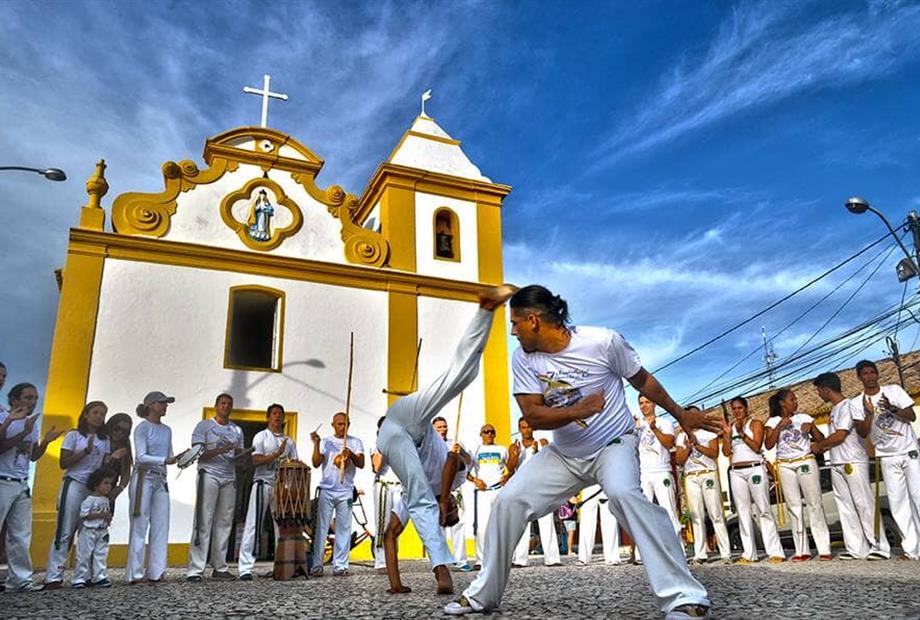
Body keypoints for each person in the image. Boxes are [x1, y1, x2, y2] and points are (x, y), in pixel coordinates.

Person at [446, 285, 716, 618]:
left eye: (515, 323)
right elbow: (532, 416)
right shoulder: (524, 358)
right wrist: (579, 410)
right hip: (565, 454)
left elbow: (642, 381)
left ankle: (686, 598)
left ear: (533, 320)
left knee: (623, 494)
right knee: (508, 501)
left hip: (613, 444)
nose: (513, 331)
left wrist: (679, 413)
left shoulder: (603, 341)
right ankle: (482, 595)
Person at [377, 284, 513, 595]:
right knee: (459, 377)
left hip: (390, 437)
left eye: (447, 513)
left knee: (419, 501)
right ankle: (486, 308)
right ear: (454, 503)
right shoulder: (455, 484)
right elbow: (453, 459)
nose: (449, 508)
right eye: (452, 510)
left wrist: (396, 585)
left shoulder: (411, 498)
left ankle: (441, 574)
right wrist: (443, 496)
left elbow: (389, 535)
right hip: (411, 419)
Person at [45, 400, 123, 589]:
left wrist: (112, 459)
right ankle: (54, 575)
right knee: (66, 529)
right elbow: (64, 463)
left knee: (88, 531)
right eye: (95, 412)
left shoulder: (104, 440)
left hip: (92, 488)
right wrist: (85, 451)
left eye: (102, 414)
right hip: (75, 483)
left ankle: (84, 575)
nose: (99, 417)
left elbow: (101, 467)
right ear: (86, 414)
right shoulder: (74, 435)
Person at [812, 372, 889, 560]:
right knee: (845, 505)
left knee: (864, 503)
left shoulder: (849, 405)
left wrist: (819, 446)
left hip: (853, 461)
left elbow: (840, 435)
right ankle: (857, 548)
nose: (818, 395)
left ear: (826, 389)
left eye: (819, 391)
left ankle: (879, 546)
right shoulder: (834, 410)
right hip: (837, 461)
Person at [852, 359, 920, 560]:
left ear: (877, 374)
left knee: (917, 497)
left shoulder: (894, 390)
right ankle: (911, 549)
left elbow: (912, 416)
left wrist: (892, 408)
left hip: (908, 451)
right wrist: (869, 414)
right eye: (865, 374)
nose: (870, 376)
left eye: (872, 372)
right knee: (898, 503)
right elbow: (863, 432)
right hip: (887, 456)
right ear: (859, 377)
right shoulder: (857, 402)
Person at [0, 383, 63, 591]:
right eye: (28, 398)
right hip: (3, 480)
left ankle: (20, 580)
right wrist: (20, 430)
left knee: (20, 534)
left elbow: (33, 455)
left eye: (35, 398)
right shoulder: (3, 419)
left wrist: (45, 442)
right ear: (15, 399)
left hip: (22, 483)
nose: (33, 402)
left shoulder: (32, 423)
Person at [764, 388, 831, 561]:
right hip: (785, 465)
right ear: (782, 403)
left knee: (814, 502)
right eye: (792, 399)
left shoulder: (804, 417)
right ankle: (802, 550)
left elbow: (821, 438)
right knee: (794, 506)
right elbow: (769, 444)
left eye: (795, 399)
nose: (796, 402)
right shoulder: (772, 421)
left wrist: (811, 430)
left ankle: (824, 548)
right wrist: (780, 425)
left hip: (805, 460)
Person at [187, 393, 245, 582]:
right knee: (203, 519)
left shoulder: (237, 430)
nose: (226, 406)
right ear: (216, 406)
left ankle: (220, 567)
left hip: (229, 474)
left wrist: (240, 453)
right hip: (209, 473)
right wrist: (220, 450)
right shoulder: (204, 426)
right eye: (223, 403)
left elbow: (239, 455)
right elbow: (197, 453)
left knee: (225, 521)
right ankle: (195, 569)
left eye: (229, 404)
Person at [720, 396, 784, 564]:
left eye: (739, 408)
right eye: (733, 409)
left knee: (763, 508)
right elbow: (726, 452)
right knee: (742, 512)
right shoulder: (730, 427)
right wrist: (727, 436)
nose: (736, 411)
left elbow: (756, 447)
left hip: (754, 467)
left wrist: (742, 434)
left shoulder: (755, 424)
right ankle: (749, 553)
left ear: (746, 409)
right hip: (736, 471)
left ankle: (775, 551)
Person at [238, 403, 298, 580]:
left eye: (280, 413)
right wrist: (276, 454)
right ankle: (245, 568)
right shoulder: (261, 436)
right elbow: (256, 460)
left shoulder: (289, 441)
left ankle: (280, 567)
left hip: (281, 488)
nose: (278, 416)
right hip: (262, 483)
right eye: (274, 413)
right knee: (253, 524)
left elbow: (294, 463)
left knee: (281, 527)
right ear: (268, 417)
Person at [126, 391, 179, 584]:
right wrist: (165, 459)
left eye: (166, 403)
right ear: (150, 405)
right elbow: (140, 457)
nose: (165, 406)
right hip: (143, 478)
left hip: (161, 479)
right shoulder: (142, 427)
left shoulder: (167, 430)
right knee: (140, 525)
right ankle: (134, 574)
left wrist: (180, 459)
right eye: (161, 403)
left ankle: (157, 572)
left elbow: (170, 454)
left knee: (161, 525)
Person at [310, 411, 365, 577]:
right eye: (339, 424)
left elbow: (361, 463)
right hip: (327, 489)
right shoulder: (326, 442)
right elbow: (316, 462)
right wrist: (316, 444)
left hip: (346, 491)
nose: (343, 427)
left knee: (344, 528)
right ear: (333, 425)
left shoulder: (355, 442)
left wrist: (351, 454)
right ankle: (317, 565)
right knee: (321, 527)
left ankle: (340, 565)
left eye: (346, 424)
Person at [675, 414, 732, 565]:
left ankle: (725, 552)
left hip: (708, 474)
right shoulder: (681, 436)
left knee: (716, 514)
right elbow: (679, 460)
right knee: (696, 515)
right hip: (691, 476)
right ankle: (700, 554)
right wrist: (688, 447)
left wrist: (697, 445)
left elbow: (714, 453)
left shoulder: (709, 433)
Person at [507, 417, 562, 567]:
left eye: (529, 427)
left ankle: (553, 558)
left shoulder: (542, 443)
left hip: (541, 487)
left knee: (546, 522)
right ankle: (520, 559)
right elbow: (510, 469)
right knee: (522, 524)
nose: (527, 430)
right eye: (523, 427)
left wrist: (539, 451)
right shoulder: (514, 446)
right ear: (519, 429)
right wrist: (515, 455)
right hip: (522, 488)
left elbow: (550, 463)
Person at [636, 395, 680, 535]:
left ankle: (678, 551)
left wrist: (654, 429)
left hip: (661, 471)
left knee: (668, 511)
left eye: (647, 402)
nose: (644, 405)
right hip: (643, 474)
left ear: (654, 403)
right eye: (641, 403)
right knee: (643, 515)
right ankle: (645, 553)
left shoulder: (664, 422)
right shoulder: (636, 425)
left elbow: (669, 443)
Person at [433, 416, 471, 571]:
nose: (443, 429)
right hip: (438, 488)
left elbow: (468, 460)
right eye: (439, 427)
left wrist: (460, 452)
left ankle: (460, 559)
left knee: (458, 523)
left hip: (455, 488)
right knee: (439, 524)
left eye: (444, 426)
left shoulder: (454, 443)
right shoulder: (430, 446)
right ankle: (441, 561)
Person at [469, 424, 508, 568]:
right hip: (483, 492)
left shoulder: (502, 449)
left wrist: (507, 477)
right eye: (486, 432)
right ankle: (480, 560)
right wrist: (475, 480)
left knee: (501, 525)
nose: (489, 434)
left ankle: (502, 557)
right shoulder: (475, 450)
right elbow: (465, 471)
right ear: (481, 434)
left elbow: (511, 467)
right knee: (482, 527)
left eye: (492, 432)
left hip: (498, 490)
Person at [71, 468, 116, 588]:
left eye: (110, 484)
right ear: (96, 485)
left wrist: (107, 519)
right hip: (89, 530)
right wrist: (101, 515)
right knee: (84, 554)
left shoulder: (106, 500)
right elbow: (84, 515)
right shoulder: (89, 500)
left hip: (102, 531)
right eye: (105, 483)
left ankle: (99, 576)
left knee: (100, 554)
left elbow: (106, 514)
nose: (109, 486)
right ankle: (79, 578)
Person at [372, 416, 403, 572]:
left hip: (399, 486)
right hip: (384, 486)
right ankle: (381, 561)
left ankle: (392, 558)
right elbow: (376, 467)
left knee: (396, 524)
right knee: (382, 524)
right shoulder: (377, 445)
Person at [575, 485, 621, 565]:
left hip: (606, 484)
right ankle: (583, 557)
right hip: (588, 485)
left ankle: (612, 557)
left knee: (610, 521)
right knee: (586, 523)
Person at [103, 413, 133, 513]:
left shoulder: (124, 447)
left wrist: (119, 489)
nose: (120, 433)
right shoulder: (100, 441)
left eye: (124, 431)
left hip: (109, 490)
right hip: (91, 487)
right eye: (117, 428)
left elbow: (126, 473)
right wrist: (112, 457)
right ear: (110, 426)